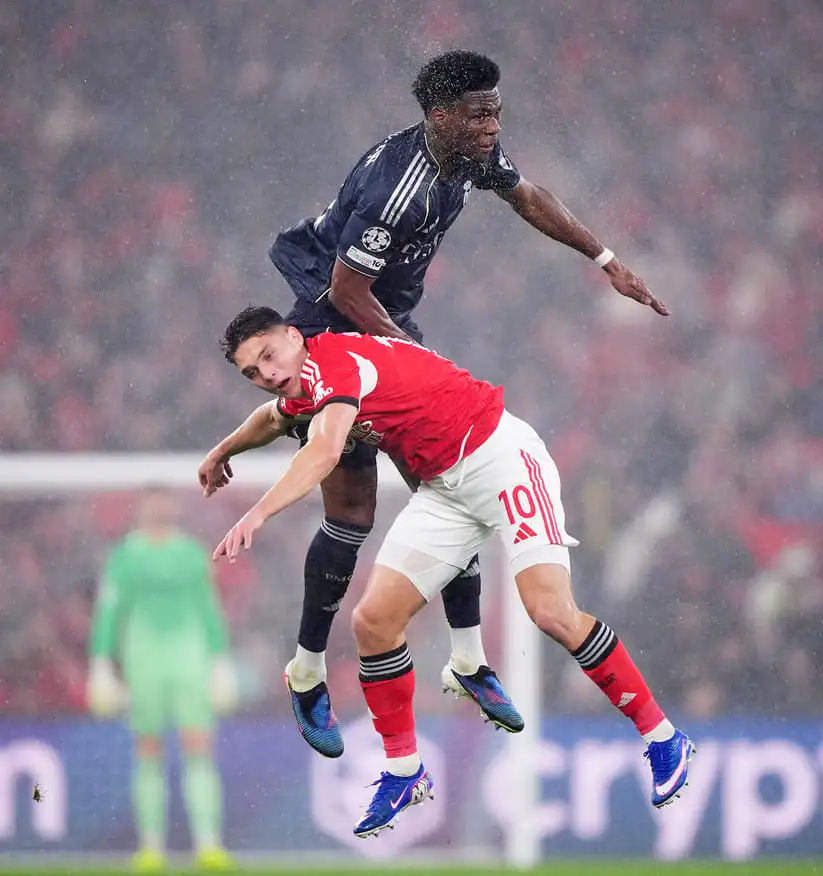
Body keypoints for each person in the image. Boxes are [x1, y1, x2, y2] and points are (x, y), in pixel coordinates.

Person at [199, 50, 668, 757]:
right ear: (440, 117)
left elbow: (529, 195)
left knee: (445, 480)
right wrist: (413, 360)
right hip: (333, 321)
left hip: (381, 317)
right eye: (480, 114)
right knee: (352, 508)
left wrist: (605, 261)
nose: (493, 125)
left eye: (496, 112)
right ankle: (305, 671)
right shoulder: (398, 189)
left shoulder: (470, 154)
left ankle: (470, 660)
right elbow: (348, 291)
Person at [203, 306, 693, 837]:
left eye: (270, 356)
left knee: (550, 612)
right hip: (446, 492)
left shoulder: (336, 363)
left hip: (502, 460)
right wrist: (223, 449)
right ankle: (404, 770)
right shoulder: (302, 383)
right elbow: (275, 418)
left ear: (295, 337)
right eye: (252, 372)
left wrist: (256, 513)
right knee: (373, 622)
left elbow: (322, 451)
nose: (268, 375)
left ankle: (662, 735)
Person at [86, 490, 237, 872]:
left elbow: (208, 607)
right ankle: (151, 846)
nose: (159, 509)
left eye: (164, 501)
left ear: (173, 508)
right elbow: (110, 610)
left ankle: (208, 844)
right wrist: (101, 662)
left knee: (198, 748)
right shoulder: (125, 556)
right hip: (144, 660)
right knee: (149, 750)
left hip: (189, 659)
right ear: (140, 509)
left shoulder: (190, 553)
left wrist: (220, 659)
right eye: (152, 502)